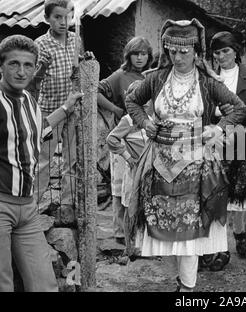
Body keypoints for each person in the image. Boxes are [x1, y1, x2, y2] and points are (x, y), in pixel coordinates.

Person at [124, 18, 246, 292]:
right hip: (160, 164)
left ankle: (188, 289)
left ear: (196, 50)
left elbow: (239, 109)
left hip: (197, 168)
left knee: (191, 233)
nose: (178, 57)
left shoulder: (207, 83)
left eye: (184, 51)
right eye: (172, 51)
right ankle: (179, 280)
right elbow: (131, 100)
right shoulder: (156, 78)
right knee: (163, 233)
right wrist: (145, 123)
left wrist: (217, 129)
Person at [0, 35, 82, 292]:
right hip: (1, 205)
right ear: (1, 66)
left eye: (28, 65)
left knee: (45, 285)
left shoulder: (29, 102)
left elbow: (39, 129)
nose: (21, 71)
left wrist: (67, 108)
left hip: (28, 209)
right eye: (14, 64)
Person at [207, 31, 246, 265]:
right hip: (216, 137)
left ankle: (240, 238)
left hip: (242, 137)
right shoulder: (209, 76)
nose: (222, 56)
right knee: (214, 192)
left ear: (236, 51)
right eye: (217, 52)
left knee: (238, 193)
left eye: (226, 51)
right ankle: (217, 248)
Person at [33, 0, 88, 219]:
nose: (64, 22)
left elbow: (80, 71)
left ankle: (67, 206)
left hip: (73, 109)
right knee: (44, 160)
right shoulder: (40, 44)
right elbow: (33, 81)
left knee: (71, 159)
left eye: (67, 17)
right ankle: (33, 207)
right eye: (58, 17)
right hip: (49, 111)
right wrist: (41, 67)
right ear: (47, 18)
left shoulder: (76, 40)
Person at [98, 36, 152, 245]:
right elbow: (97, 90)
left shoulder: (150, 76)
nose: (139, 58)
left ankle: (138, 229)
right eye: (135, 54)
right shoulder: (121, 75)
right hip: (122, 137)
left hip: (144, 137)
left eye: (143, 54)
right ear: (128, 55)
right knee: (120, 187)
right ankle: (120, 231)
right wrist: (115, 109)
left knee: (139, 187)